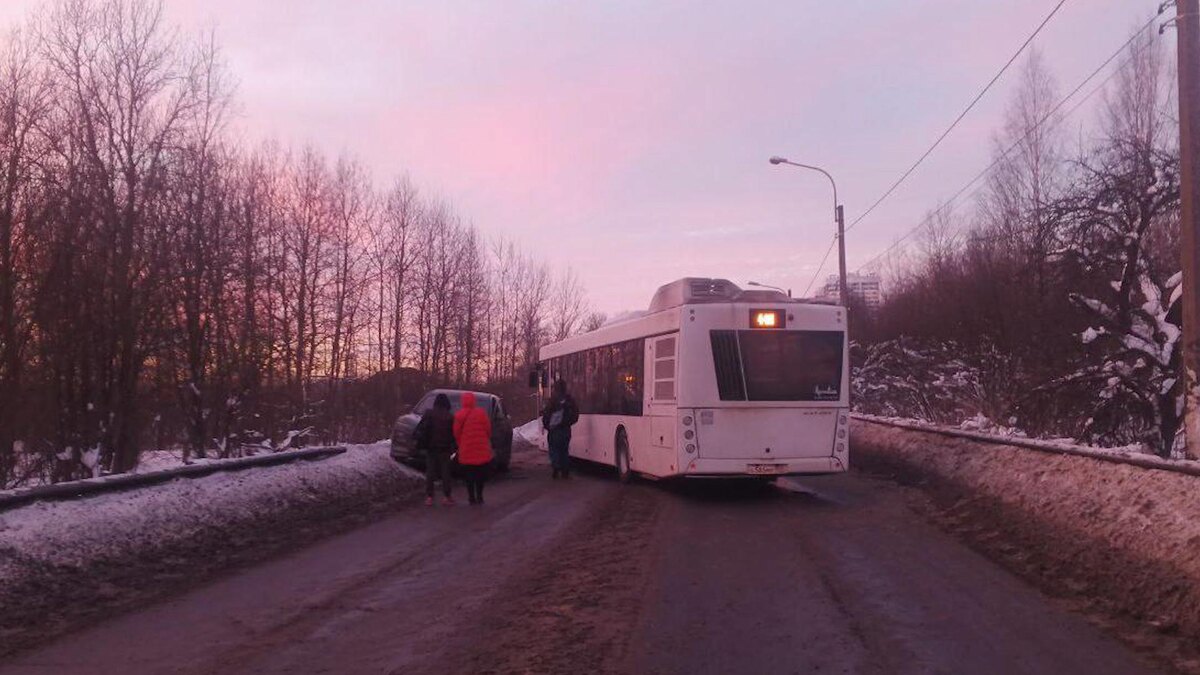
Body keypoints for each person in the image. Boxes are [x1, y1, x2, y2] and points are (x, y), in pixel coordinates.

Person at [414, 393, 456, 506]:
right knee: (445, 473)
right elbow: (453, 435)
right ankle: (447, 497)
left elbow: (420, 429)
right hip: (445, 449)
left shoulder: (429, 414)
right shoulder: (450, 417)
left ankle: (429, 497)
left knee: (430, 473)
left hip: (431, 447)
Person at [453, 391, 493, 505]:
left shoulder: (459, 415)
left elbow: (456, 432)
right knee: (480, 474)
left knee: (469, 475)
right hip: (481, 448)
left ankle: (471, 497)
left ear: (463, 402)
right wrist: (485, 440)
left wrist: (461, 443)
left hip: (466, 449)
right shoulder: (481, 413)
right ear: (474, 401)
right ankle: (480, 495)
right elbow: (488, 430)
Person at [542, 380, 579, 479]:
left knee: (554, 448)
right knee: (564, 449)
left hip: (554, 430)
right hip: (566, 429)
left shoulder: (552, 400)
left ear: (556, 388)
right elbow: (575, 414)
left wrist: (547, 426)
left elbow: (546, 415)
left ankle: (556, 466)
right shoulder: (569, 400)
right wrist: (568, 423)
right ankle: (565, 470)